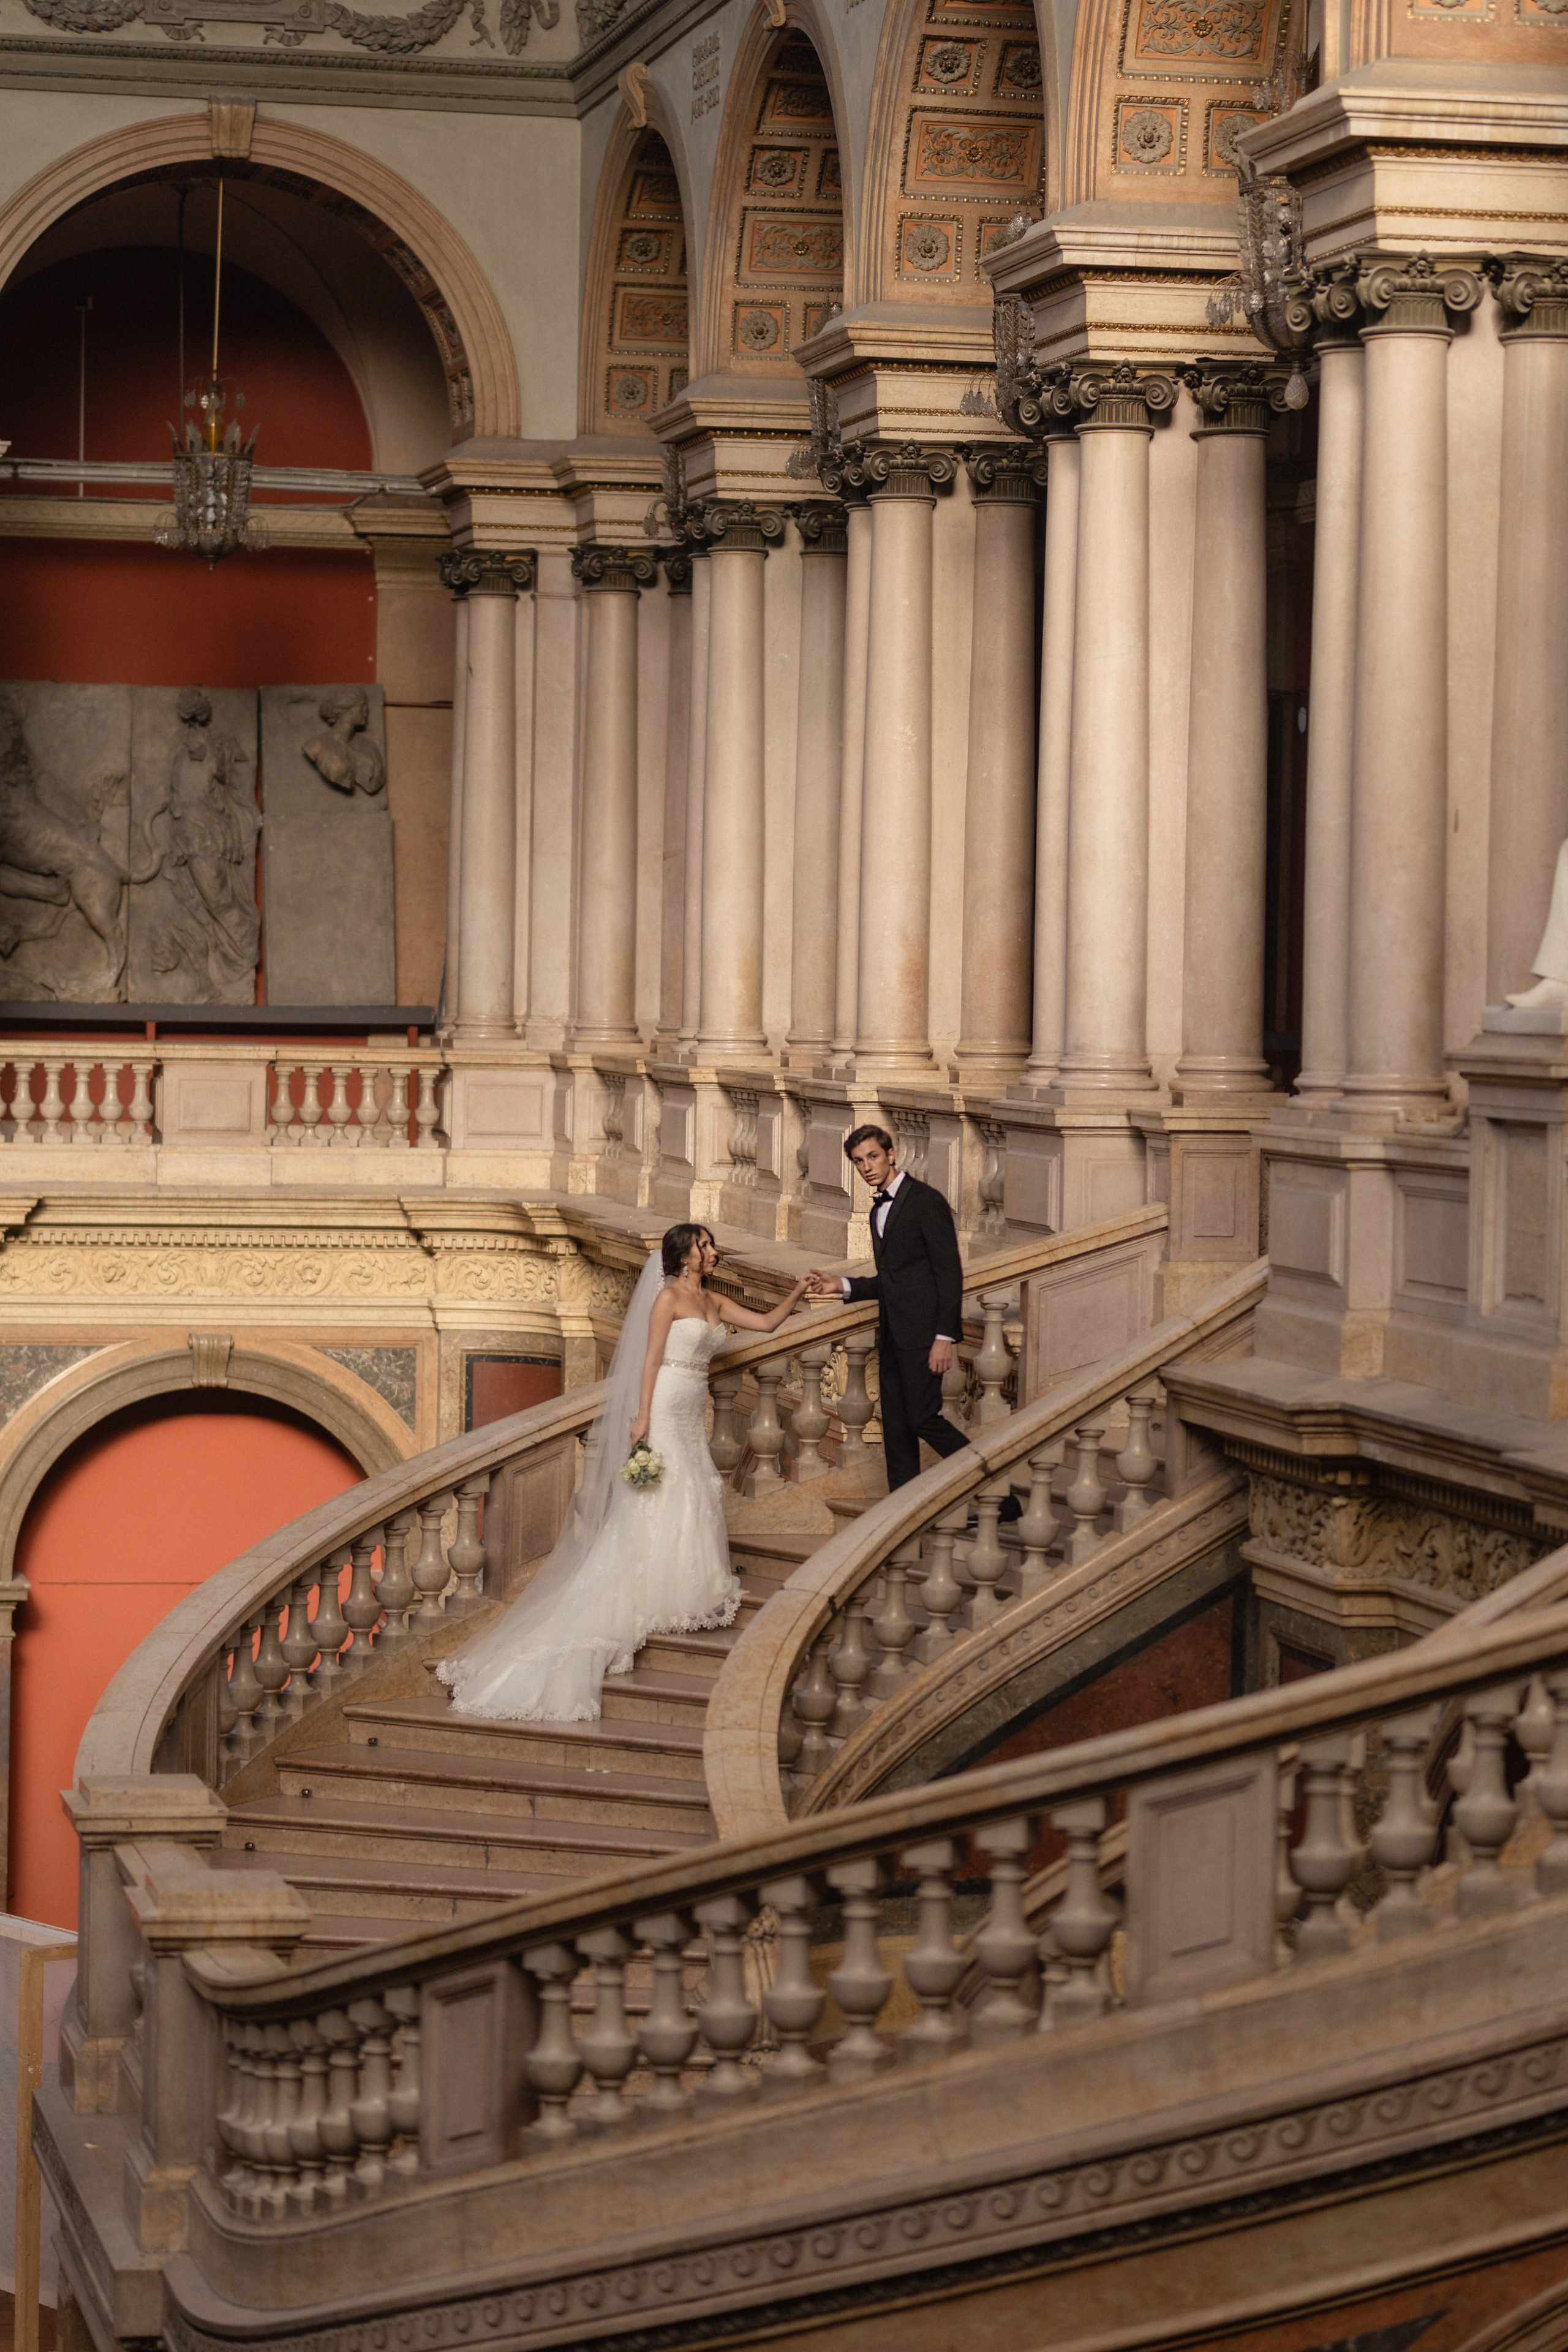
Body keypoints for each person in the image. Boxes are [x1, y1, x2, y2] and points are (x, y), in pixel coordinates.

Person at [438, 1224, 812, 1724]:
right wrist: (641, 1416)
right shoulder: (667, 1300)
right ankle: (650, 1590)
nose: (713, 1251)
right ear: (685, 1255)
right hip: (663, 1402)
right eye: (705, 1245)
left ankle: (688, 1586)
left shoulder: (715, 1302)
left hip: (690, 1405)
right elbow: (650, 1358)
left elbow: (765, 1324)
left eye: (711, 1244)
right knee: (660, 1491)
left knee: (697, 1487)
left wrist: (800, 1291)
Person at [808, 1125, 1020, 1515]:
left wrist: (945, 1336)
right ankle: (901, 1517)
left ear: (892, 1153)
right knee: (897, 1429)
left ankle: (1001, 1498)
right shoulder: (878, 1210)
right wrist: (841, 1284)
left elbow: (948, 1272)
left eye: (872, 1156)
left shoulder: (925, 1201)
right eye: (858, 1161)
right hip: (892, 1334)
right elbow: (895, 1281)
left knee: (923, 1419)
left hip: (924, 1336)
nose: (866, 1167)